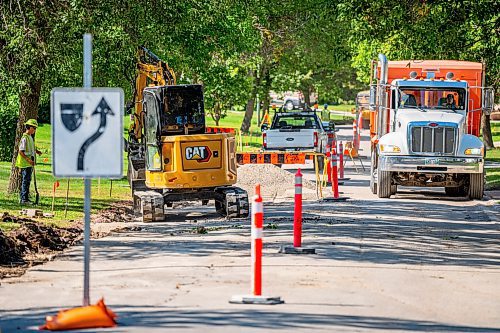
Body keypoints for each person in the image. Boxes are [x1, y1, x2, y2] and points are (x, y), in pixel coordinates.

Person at [15, 119, 42, 205]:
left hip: (29, 164)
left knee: (27, 180)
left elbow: (30, 148)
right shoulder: (25, 138)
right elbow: (21, 151)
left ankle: (25, 198)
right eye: (34, 128)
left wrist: (36, 151)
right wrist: (29, 160)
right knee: (25, 181)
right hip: (25, 163)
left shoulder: (30, 137)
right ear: (29, 127)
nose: (35, 130)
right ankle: (24, 199)